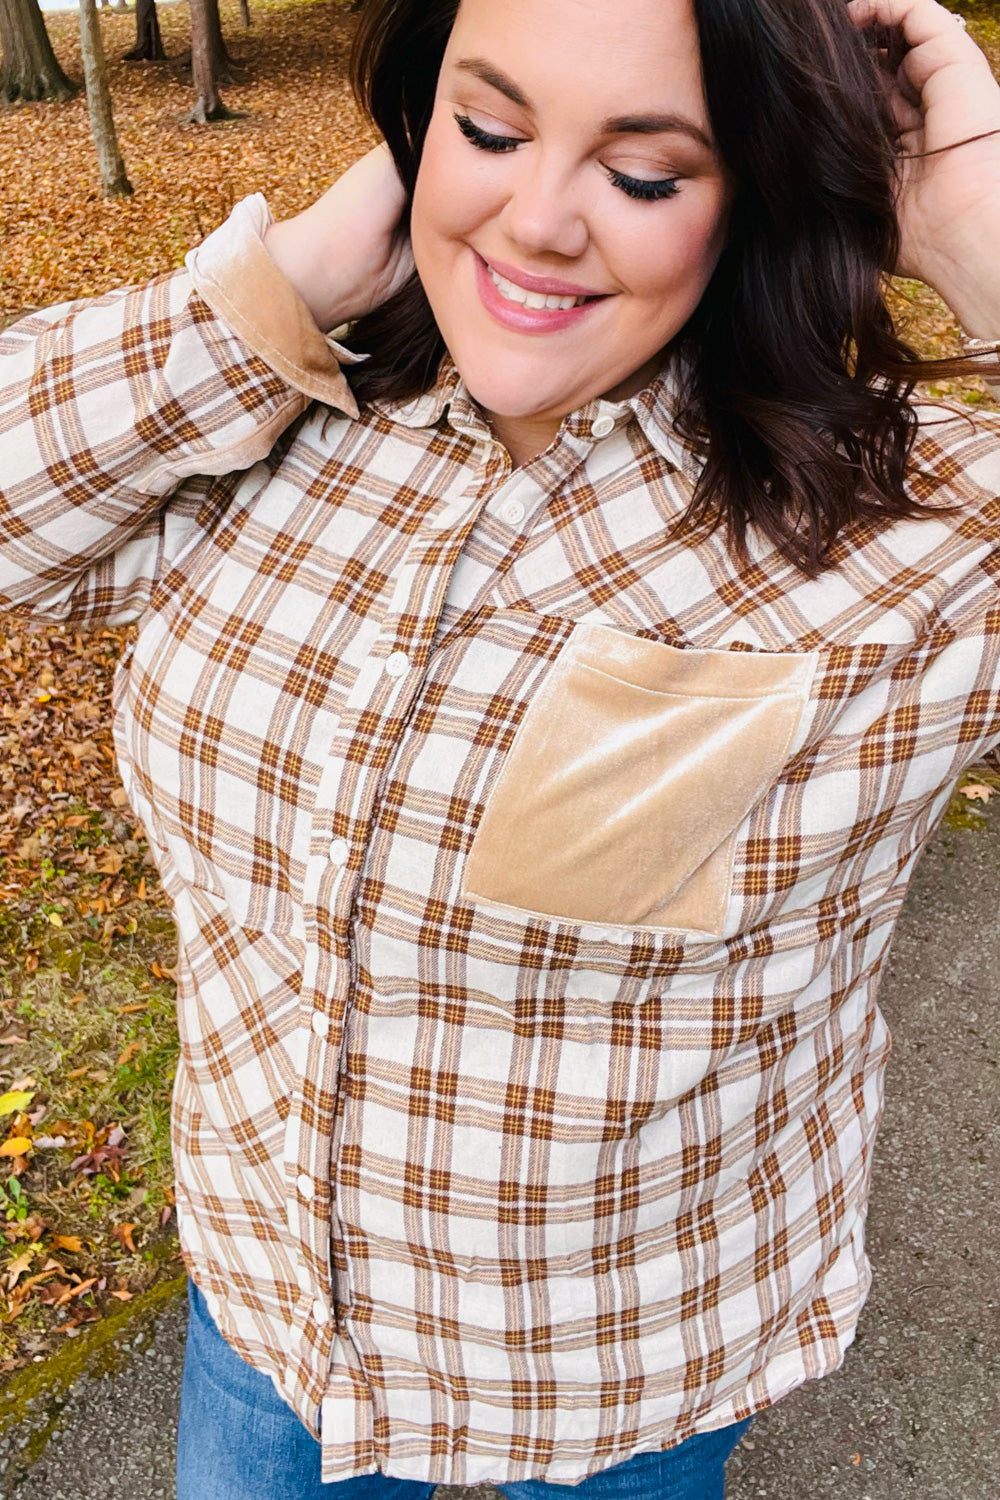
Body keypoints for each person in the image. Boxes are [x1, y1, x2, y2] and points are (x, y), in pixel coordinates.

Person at [2, 0, 1000, 1494]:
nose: (537, 223)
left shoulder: (907, 534)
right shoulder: (285, 407)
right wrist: (280, 282)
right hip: (262, 1352)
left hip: (604, 1413)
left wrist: (979, 226)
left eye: (647, 173)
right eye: (488, 128)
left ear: (767, 184)